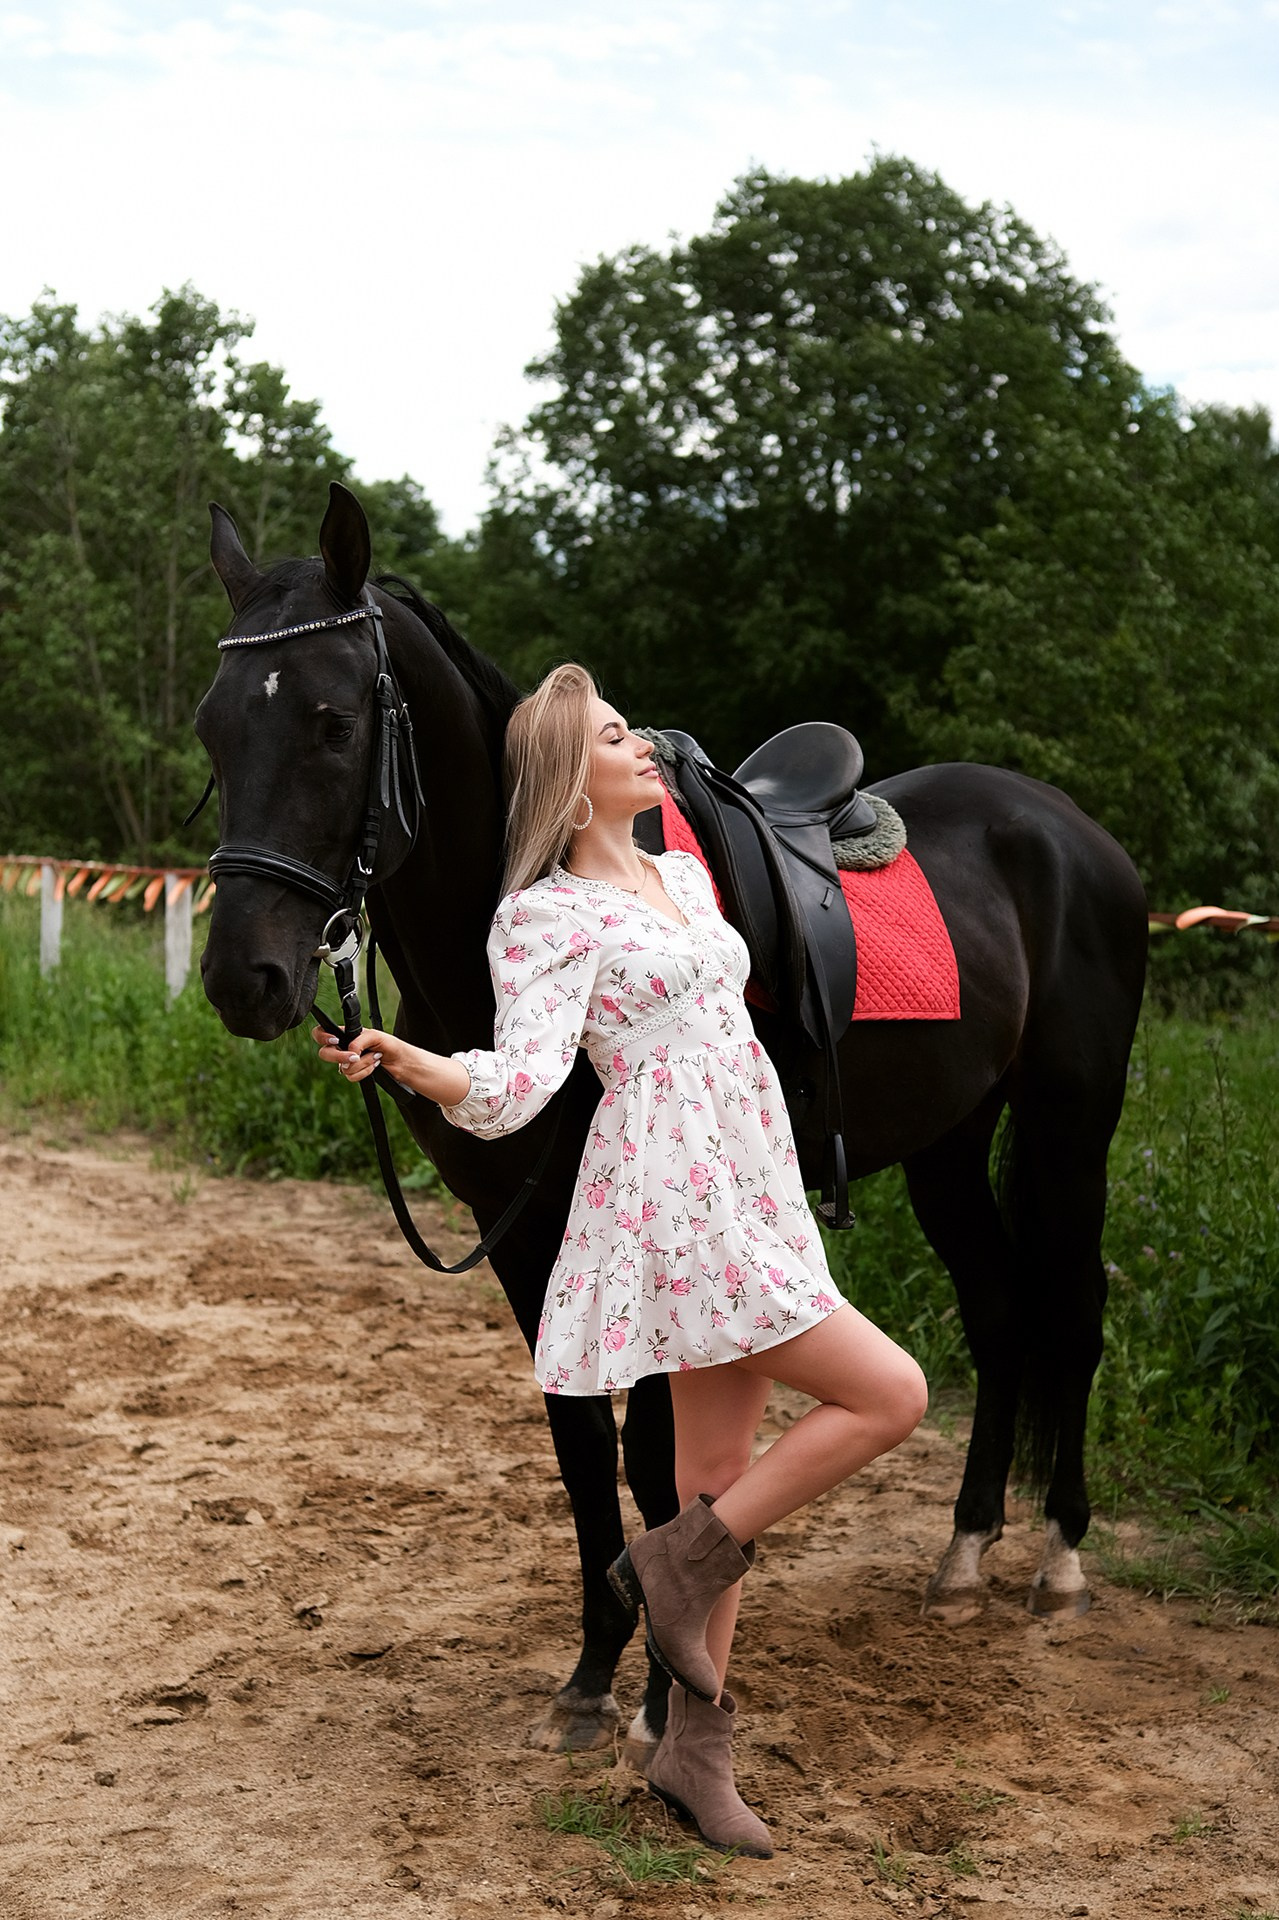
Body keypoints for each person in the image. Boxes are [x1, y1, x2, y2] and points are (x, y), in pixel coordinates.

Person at [314, 663, 927, 1858]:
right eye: (611, 737)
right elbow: (517, 1086)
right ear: (566, 776)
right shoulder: (540, 918)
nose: (641, 743)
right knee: (890, 1394)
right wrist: (411, 1061)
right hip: (675, 1198)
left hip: (750, 1180)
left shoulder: (683, 876)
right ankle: (673, 1567)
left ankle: (694, 1753)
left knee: (715, 1476)